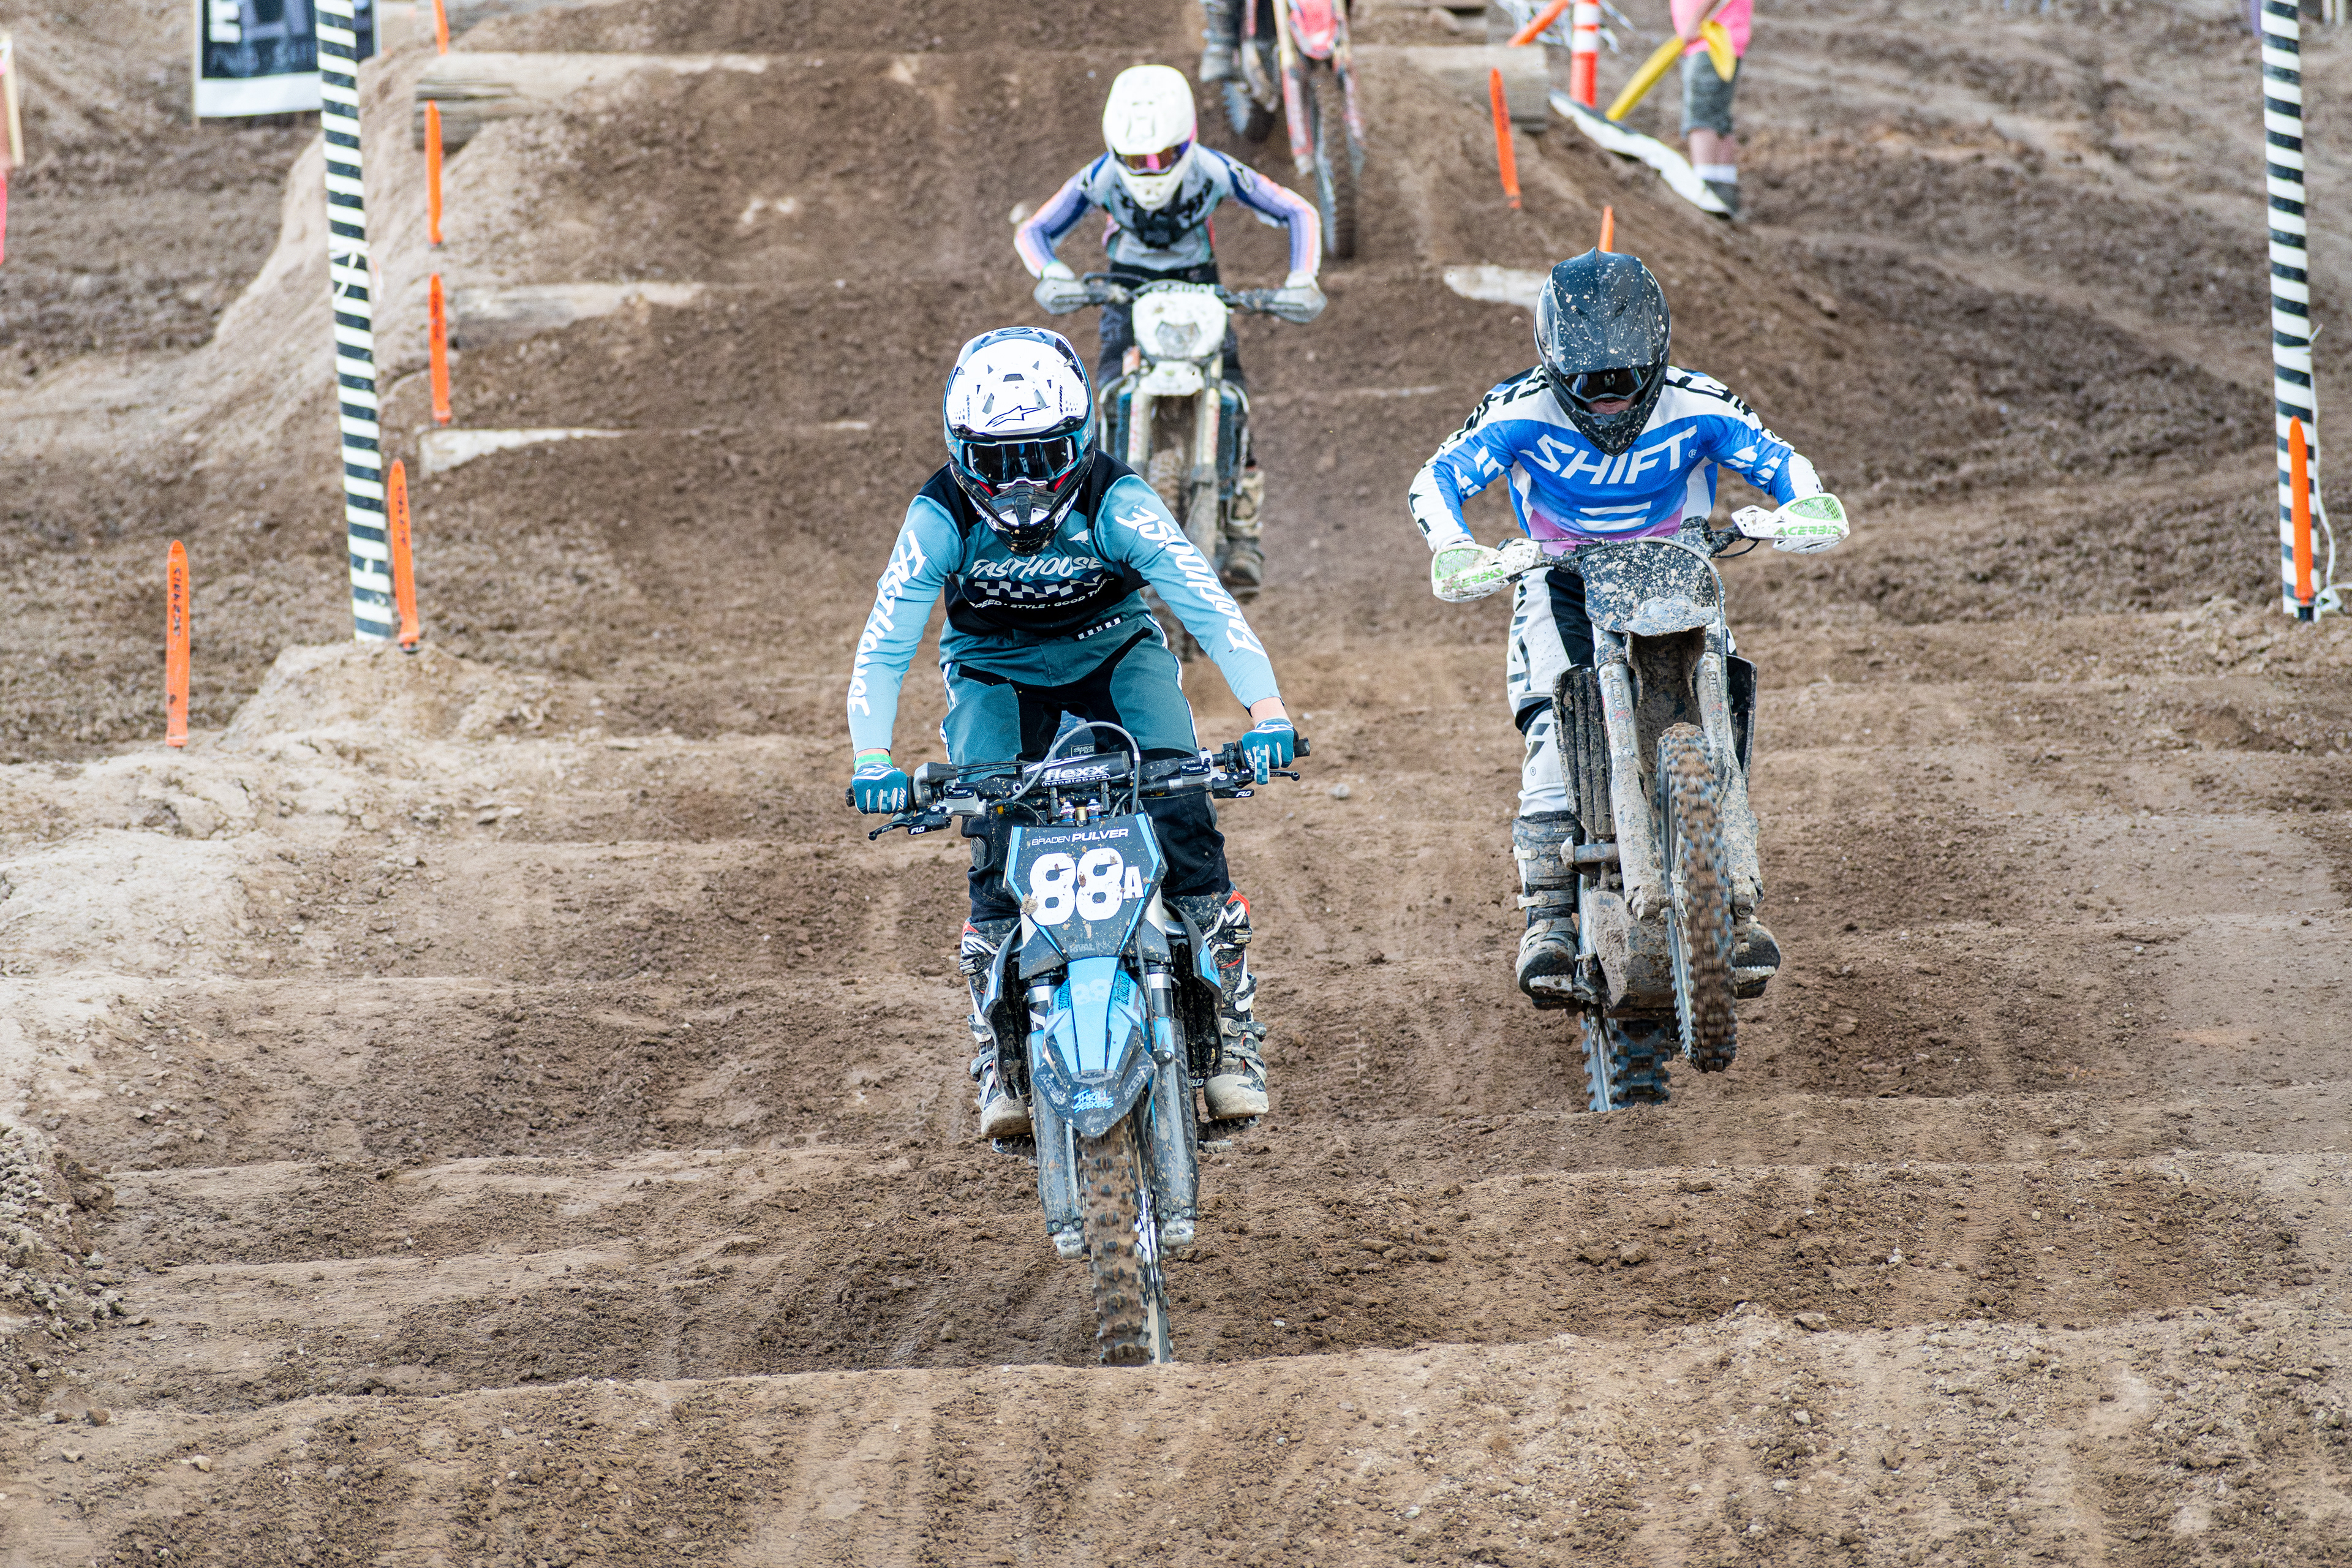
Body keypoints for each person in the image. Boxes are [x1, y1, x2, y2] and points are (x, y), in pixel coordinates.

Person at [846, 325, 1298, 1137]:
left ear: (1082, 440)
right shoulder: (938, 518)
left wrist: (1267, 714)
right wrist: (873, 758)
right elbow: (885, 644)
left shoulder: (1119, 501)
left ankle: (1231, 1031)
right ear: (960, 454)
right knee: (994, 836)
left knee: (1183, 808)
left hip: (1113, 652)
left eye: (1041, 457)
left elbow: (1204, 602)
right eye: (997, 463)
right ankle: (1001, 1049)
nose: (1020, 486)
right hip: (995, 670)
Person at [1405, 248, 1826, 1002]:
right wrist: (1455, 546)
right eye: (1588, 383)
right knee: (1552, 720)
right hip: (1561, 574)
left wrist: (1804, 505)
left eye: (1626, 378)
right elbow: (1436, 478)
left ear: (1656, 361)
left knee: (1723, 693)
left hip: (1675, 565)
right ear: (1553, 367)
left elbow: (1779, 459)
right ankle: (1547, 911)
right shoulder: (1515, 410)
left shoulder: (1700, 403)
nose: (1607, 398)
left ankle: (1733, 897)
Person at [1016, 63, 1325, 600]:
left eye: (1163, 157)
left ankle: (1243, 532)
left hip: (1200, 288)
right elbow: (1034, 230)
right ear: (1117, 151)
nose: (1150, 170)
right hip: (1125, 291)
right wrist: (1053, 273)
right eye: (1137, 160)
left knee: (1234, 398)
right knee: (1100, 400)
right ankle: (1083, 523)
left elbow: (1298, 210)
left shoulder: (1213, 169)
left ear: (1188, 141)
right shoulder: (1102, 177)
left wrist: (1302, 279)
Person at [1674, 0, 1751, 217]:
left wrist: (1694, 22)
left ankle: (1706, 195)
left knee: (1702, 117)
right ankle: (1724, 195)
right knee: (1717, 119)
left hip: (1710, 39)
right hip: (1716, 38)